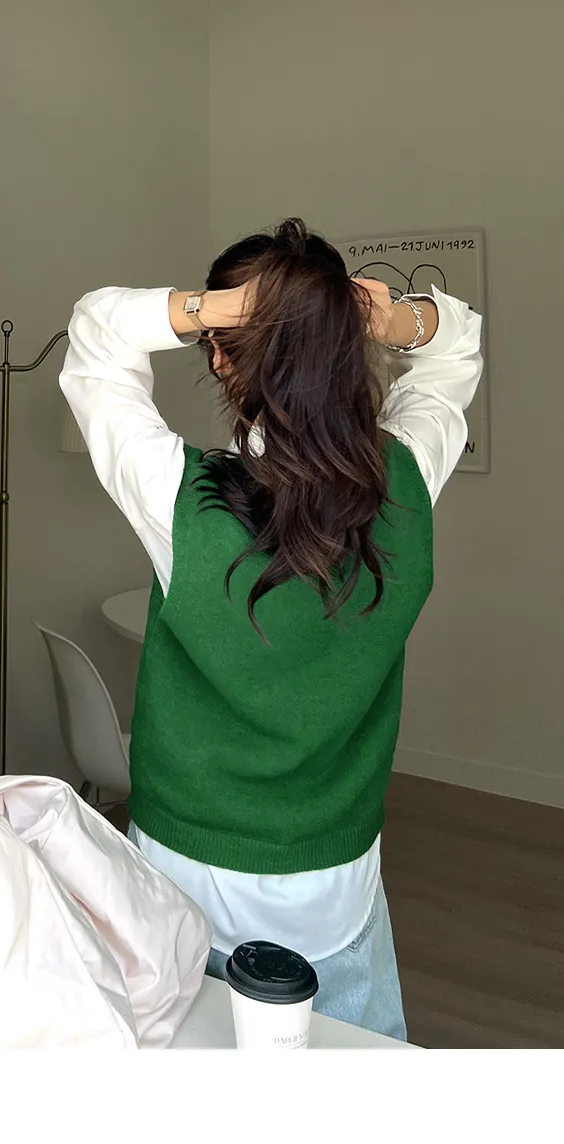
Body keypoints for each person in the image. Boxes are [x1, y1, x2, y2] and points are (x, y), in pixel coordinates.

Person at [60, 219, 483, 1040]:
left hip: (181, 871)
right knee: (354, 1078)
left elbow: (97, 336)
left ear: (222, 356)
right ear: (349, 348)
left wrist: (215, 310)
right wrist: (391, 319)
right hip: (334, 879)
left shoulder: (180, 500)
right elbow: (455, 347)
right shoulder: (407, 484)